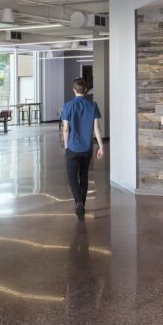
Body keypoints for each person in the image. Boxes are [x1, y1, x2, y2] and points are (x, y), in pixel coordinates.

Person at [62, 78, 105, 220]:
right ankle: (83, 203)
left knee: (72, 177)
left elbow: (66, 129)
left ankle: (79, 202)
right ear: (85, 90)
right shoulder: (93, 105)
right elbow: (96, 128)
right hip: (87, 148)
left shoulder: (68, 106)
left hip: (73, 148)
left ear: (74, 89)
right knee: (84, 176)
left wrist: (67, 146)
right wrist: (101, 146)